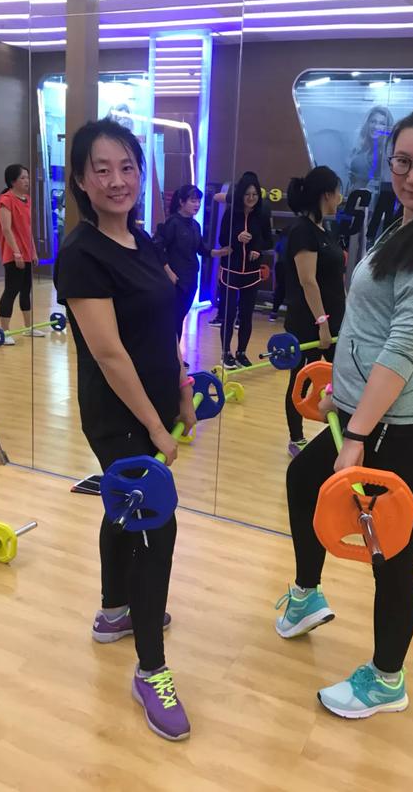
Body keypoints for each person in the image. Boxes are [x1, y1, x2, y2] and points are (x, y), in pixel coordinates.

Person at [275, 103, 413, 720]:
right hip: (367, 415)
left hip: (396, 429)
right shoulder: (408, 222)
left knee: (390, 557)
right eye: (402, 162)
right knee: (302, 479)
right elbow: (371, 327)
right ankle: (307, 594)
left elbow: (403, 348)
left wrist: (357, 432)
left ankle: (387, 678)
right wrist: (342, 394)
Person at [54, 118, 194, 742]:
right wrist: (155, 429)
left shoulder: (144, 240)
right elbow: (109, 355)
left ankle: (115, 611)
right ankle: (150, 671)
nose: (117, 180)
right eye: (102, 169)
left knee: (124, 511)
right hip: (118, 415)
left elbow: (165, 326)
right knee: (155, 527)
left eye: (127, 167)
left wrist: (183, 385)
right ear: (82, 181)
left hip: (157, 401)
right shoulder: (82, 255)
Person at [283, 167, 346, 458]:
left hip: (335, 321)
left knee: (341, 378)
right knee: (302, 379)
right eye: (338, 192)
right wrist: (322, 324)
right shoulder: (302, 231)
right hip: (309, 323)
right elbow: (308, 281)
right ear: (326, 195)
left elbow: (334, 278)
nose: (341, 198)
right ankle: (296, 438)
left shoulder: (324, 230)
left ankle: (342, 437)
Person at [153, 184, 229, 346]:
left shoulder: (195, 225)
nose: (197, 205)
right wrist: (169, 272)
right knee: (173, 319)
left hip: (191, 279)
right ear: (182, 202)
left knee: (180, 317)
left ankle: (176, 353)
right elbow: (157, 247)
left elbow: (202, 249)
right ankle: (170, 353)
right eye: (193, 201)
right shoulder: (172, 223)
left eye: (199, 201)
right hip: (175, 280)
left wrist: (219, 252)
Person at [218, 173, 269, 368]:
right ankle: (226, 353)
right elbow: (222, 239)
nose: (251, 198)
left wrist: (258, 249)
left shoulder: (262, 214)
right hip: (231, 271)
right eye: (247, 194)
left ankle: (241, 352)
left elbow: (268, 240)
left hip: (251, 274)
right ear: (241, 194)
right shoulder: (231, 213)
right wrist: (237, 238)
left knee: (246, 315)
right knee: (229, 314)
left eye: (254, 194)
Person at [0, 164, 40, 345]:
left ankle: (28, 327)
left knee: (26, 290)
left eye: (27, 177)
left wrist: (33, 251)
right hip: (13, 254)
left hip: (27, 253)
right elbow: (6, 229)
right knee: (11, 290)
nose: (27, 181)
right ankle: (5, 331)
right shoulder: (5, 200)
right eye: (23, 178)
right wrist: (17, 253)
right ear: (12, 181)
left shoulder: (26, 199)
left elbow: (28, 229)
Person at [346, 106, 394, 193]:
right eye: (373, 121)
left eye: (382, 123)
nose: (376, 126)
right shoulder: (360, 147)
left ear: (387, 127)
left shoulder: (385, 152)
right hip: (352, 194)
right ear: (367, 124)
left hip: (369, 196)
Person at [268, 230, 288, 322]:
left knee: (280, 289)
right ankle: (275, 312)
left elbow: (276, 256)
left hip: (281, 266)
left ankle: (274, 312)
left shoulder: (281, 240)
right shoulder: (287, 240)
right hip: (287, 266)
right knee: (284, 289)